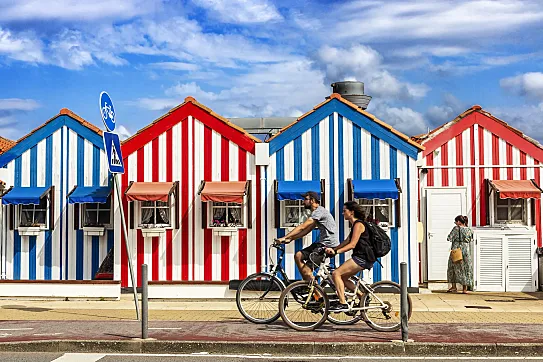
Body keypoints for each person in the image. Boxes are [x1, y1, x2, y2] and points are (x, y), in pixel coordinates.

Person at [275, 191, 339, 281]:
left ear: (312, 200)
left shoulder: (319, 211)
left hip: (328, 245)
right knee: (298, 255)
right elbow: (306, 230)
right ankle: (308, 285)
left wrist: (284, 237)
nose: (303, 202)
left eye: (305, 199)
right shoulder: (316, 214)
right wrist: (291, 239)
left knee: (306, 270)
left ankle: (317, 294)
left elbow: (302, 226)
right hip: (321, 243)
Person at [325, 201, 375, 311]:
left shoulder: (359, 225)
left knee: (336, 273)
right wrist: (333, 249)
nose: (343, 213)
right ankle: (362, 296)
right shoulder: (355, 225)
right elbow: (346, 241)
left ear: (351, 212)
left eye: (344, 211)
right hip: (361, 258)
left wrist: (336, 252)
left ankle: (342, 303)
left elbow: (352, 244)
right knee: (342, 277)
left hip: (361, 258)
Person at [447, 215, 474, 294]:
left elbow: (449, 238)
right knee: (465, 268)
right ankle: (464, 289)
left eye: (456, 221)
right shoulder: (469, 229)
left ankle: (454, 287)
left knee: (452, 267)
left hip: (456, 250)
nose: (455, 223)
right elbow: (470, 239)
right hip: (466, 250)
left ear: (459, 221)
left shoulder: (456, 229)